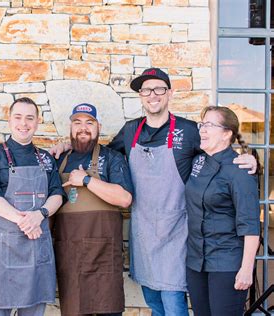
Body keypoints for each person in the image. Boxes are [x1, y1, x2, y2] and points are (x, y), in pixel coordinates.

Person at [51, 68, 257, 316]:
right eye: (146, 90)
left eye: (159, 88)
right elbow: (102, 153)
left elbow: (218, 154)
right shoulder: (131, 130)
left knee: (172, 302)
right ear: (141, 96)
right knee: (153, 301)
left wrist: (250, 159)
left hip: (175, 235)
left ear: (169, 93)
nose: (153, 95)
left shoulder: (189, 130)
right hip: (144, 233)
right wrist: (67, 145)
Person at [0, 97, 65, 316]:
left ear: (37, 122)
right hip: (3, 248)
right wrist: (26, 221)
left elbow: (57, 194)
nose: (23, 123)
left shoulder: (45, 158)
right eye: (18, 117)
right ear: (9, 120)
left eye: (29, 118)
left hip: (37, 249)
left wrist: (40, 214)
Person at [53, 103, 133, 316]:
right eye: (77, 123)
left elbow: (125, 199)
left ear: (98, 127)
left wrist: (87, 180)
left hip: (104, 256)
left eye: (90, 123)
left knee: (109, 310)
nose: (83, 128)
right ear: (70, 128)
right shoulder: (58, 159)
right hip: (69, 254)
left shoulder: (112, 158)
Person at [184, 106, 260, 316]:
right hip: (196, 261)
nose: (202, 130)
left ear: (227, 133)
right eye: (202, 124)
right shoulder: (198, 160)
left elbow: (251, 225)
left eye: (209, 125)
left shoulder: (240, 171)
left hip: (227, 263)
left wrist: (246, 269)